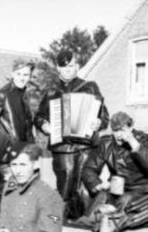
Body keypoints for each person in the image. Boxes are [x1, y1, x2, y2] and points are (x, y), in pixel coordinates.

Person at [34, 49, 109, 220]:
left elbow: (103, 115)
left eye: (72, 66)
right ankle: (63, 225)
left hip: (86, 146)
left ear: (77, 66)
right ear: (59, 69)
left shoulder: (89, 87)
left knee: (86, 187)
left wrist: (99, 123)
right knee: (66, 185)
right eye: (65, 67)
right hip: (62, 146)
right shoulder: (51, 92)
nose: (69, 70)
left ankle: (86, 223)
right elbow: (38, 117)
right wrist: (44, 125)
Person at [81, 112, 148, 214]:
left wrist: (132, 141)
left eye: (122, 130)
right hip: (117, 188)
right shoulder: (106, 143)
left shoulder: (144, 141)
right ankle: (91, 222)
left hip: (142, 188)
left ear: (131, 127)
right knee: (102, 197)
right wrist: (98, 184)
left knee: (125, 200)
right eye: (115, 131)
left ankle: (112, 225)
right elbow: (89, 169)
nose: (118, 135)